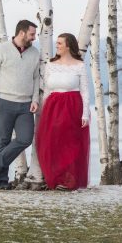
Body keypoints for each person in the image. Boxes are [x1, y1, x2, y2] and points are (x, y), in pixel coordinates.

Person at [0, 20, 40, 190]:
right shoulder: (1, 50)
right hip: (4, 102)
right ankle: (1, 182)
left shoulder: (35, 53)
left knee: (25, 138)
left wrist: (35, 99)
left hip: (25, 105)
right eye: (32, 34)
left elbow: (36, 78)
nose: (34, 37)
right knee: (3, 140)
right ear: (22, 33)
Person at [36, 33, 90, 190]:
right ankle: (55, 178)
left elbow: (85, 91)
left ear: (68, 46)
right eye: (57, 43)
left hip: (72, 106)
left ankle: (69, 180)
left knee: (70, 143)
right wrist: (42, 110)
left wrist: (85, 113)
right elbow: (46, 89)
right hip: (52, 108)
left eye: (60, 43)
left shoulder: (79, 65)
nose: (57, 45)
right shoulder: (51, 64)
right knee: (52, 142)